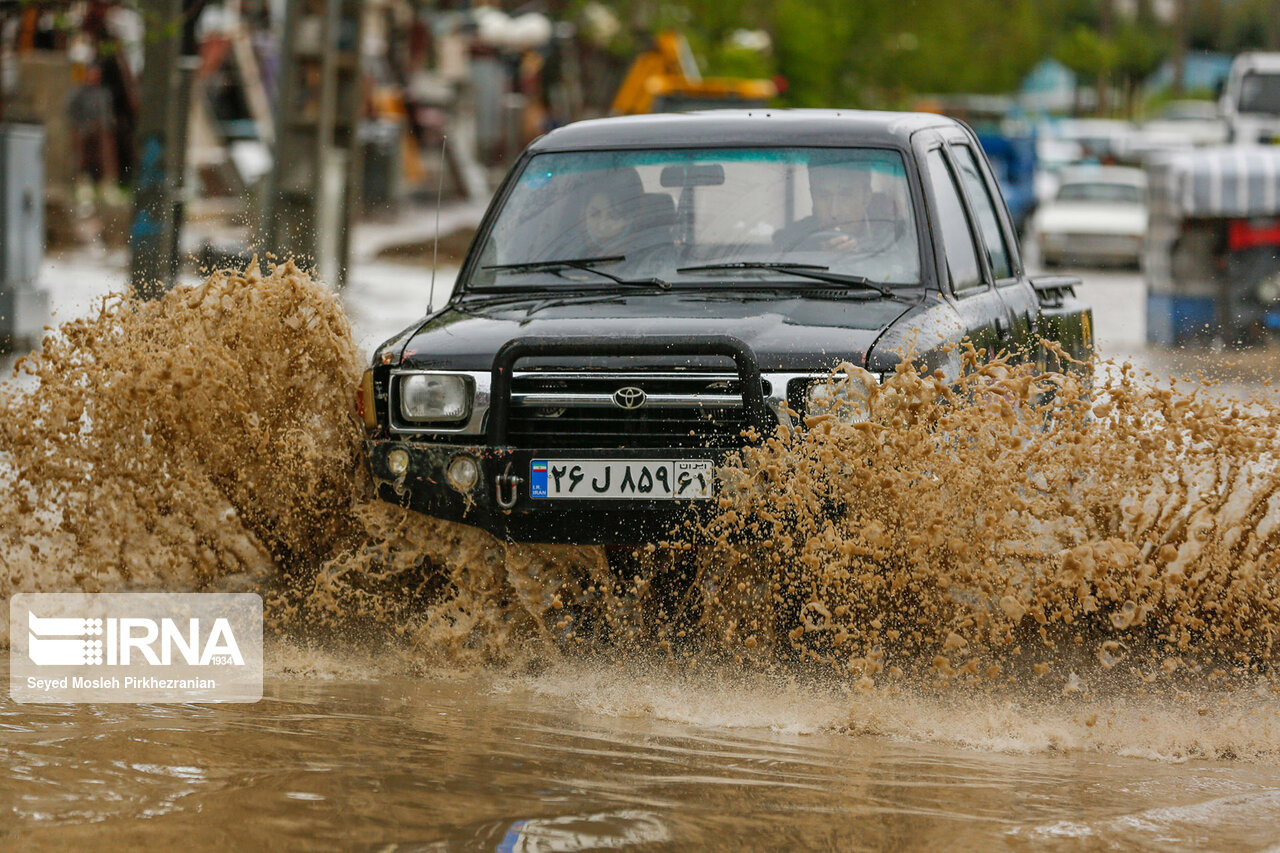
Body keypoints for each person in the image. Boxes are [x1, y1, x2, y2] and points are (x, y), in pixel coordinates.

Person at [773, 160, 895, 253]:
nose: (834, 212)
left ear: (866, 196)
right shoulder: (791, 244)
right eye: (824, 196)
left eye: (845, 195)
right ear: (812, 196)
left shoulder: (893, 238)